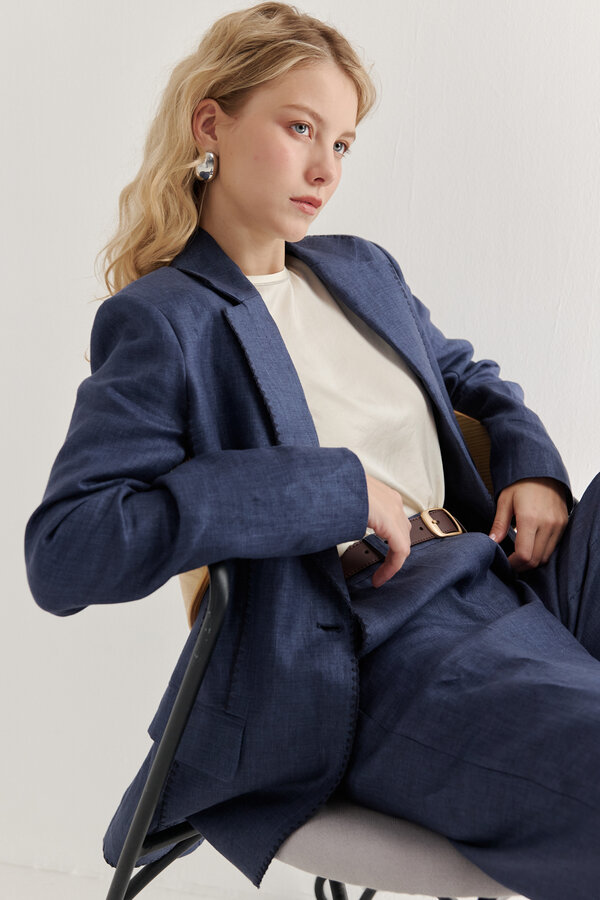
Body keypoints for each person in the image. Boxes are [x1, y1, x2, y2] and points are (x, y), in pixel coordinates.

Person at [24, 4, 600, 899]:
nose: (326, 168)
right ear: (210, 125)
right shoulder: (164, 321)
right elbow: (69, 550)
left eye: (343, 143)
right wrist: (330, 489)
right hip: (375, 645)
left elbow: (472, 379)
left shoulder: (361, 269)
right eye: (300, 129)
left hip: (513, 576)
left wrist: (532, 467)